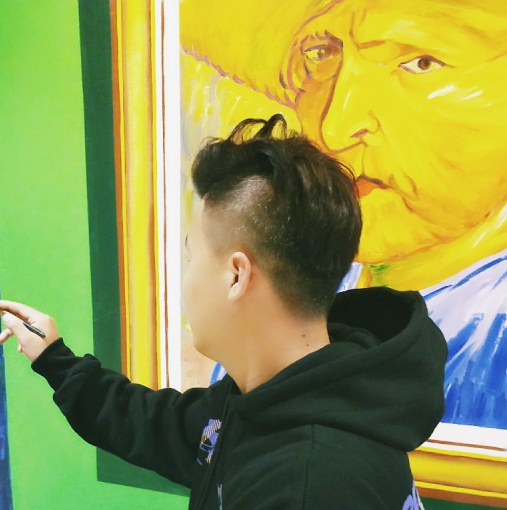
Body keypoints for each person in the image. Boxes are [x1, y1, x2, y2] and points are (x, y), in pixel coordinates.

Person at [0, 117, 458, 510]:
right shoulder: (281, 392)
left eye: (191, 256)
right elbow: (160, 424)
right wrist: (56, 360)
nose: (186, 279)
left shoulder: (311, 506)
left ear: (237, 274)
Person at [180, 0, 507, 430]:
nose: (334, 127)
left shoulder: (492, 345)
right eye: (321, 55)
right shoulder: (290, 285)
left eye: (421, 63)